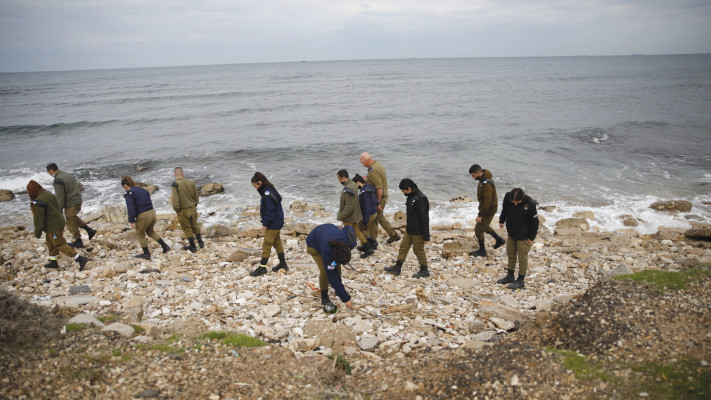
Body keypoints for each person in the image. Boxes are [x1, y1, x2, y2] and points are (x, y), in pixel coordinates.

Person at [28, 180, 88, 271]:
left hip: (53, 226)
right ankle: (53, 262)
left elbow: (39, 219)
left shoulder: (38, 202)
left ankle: (80, 258)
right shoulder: (48, 195)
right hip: (58, 222)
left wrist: (37, 233)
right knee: (50, 243)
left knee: (59, 243)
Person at [384, 179, 431, 278]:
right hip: (410, 229)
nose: (404, 193)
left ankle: (424, 269)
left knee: (418, 250)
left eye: (404, 191)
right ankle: (397, 267)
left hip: (418, 230)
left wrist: (426, 236)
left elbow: (424, 218)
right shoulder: (411, 196)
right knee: (403, 247)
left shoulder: (420, 199)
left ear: (409, 188)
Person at [305, 224, 357, 311]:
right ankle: (324, 296)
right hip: (314, 244)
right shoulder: (327, 253)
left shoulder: (350, 241)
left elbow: (348, 227)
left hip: (328, 229)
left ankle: (338, 291)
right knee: (325, 272)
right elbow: (332, 276)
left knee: (337, 265)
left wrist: (341, 293)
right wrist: (346, 299)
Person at [46, 163, 97, 248]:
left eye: (49, 172)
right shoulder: (69, 175)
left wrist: (59, 211)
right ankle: (89, 230)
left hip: (70, 203)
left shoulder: (58, 180)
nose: (49, 174)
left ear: (51, 171)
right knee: (72, 217)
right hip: (78, 200)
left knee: (69, 221)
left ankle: (78, 241)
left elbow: (60, 198)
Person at [497, 188, 539, 290]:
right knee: (510, 253)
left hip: (524, 234)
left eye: (517, 202)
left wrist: (531, 237)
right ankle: (510, 276)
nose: (515, 204)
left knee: (522, 257)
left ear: (523, 197)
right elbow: (505, 209)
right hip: (512, 231)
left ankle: (521, 280)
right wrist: (501, 220)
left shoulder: (530, 203)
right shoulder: (508, 196)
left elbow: (535, 222)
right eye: (513, 202)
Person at [121, 176, 171, 260]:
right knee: (150, 232)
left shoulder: (130, 193)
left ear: (125, 185)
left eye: (123, 187)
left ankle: (146, 254)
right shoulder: (143, 190)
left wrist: (131, 220)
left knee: (140, 234)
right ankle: (165, 246)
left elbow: (131, 208)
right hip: (152, 213)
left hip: (143, 216)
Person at [249, 172, 288, 276]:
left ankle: (262, 267)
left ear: (260, 182)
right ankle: (283, 263)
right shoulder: (270, 191)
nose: (256, 188)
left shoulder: (267, 195)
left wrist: (265, 224)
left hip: (273, 223)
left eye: (256, 186)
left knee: (267, 244)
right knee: (276, 242)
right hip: (277, 221)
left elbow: (270, 211)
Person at [359, 152, 401, 245]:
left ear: (365, 161)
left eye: (362, 162)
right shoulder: (378, 164)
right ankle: (394, 235)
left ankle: (373, 241)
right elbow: (378, 180)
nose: (362, 164)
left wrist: (377, 202)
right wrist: (368, 180)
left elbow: (379, 187)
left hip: (380, 197)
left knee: (374, 219)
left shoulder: (372, 170)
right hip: (384, 195)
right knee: (380, 217)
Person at [469, 164, 506, 257]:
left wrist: (480, 214)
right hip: (488, 208)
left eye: (473, 176)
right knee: (484, 226)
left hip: (489, 210)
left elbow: (487, 201)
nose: (473, 178)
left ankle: (482, 251)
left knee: (478, 229)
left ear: (478, 173)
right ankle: (499, 240)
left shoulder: (487, 183)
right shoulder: (483, 179)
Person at [336, 169, 369, 257]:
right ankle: (367, 247)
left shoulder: (348, 188)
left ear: (343, 178)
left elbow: (349, 206)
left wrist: (343, 216)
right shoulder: (353, 184)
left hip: (349, 217)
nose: (339, 181)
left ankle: (345, 252)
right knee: (356, 231)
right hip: (354, 215)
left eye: (339, 179)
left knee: (347, 234)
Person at [171, 167, 203, 252]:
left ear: (175, 174)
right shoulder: (191, 182)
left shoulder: (175, 184)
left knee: (186, 227)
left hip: (183, 210)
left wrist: (176, 209)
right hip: (192, 207)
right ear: (183, 173)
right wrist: (195, 204)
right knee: (194, 225)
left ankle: (192, 246)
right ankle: (200, 242)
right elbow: (196, 194)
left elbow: (175, 199)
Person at [352, 174, 377, 258]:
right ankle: (371, 243)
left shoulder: (364, 192)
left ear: (358, 182)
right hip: (374, 212)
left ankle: (369, 247)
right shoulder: (369, 187)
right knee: (365, 229)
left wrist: (365, 219)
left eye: (355, 184)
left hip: (368, 214)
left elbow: (366, 206)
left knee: (359, 229)